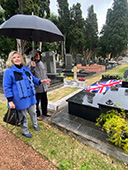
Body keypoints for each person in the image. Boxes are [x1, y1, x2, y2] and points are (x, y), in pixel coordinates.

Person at [3, 51, 46, 138]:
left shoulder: (25, 68)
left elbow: (32, 78)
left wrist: (40, 81)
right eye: (14, 57)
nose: (17, 59)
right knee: (23, 116)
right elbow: (7, 87)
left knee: (33, 112)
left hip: (30, 96)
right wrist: (10, 101)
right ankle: (25, 131)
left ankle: (35, 124)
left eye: (18, 57)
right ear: (11, 60)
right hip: (19, 99)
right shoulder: (9, 71)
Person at [28, 49, 51, 121]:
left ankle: (45, 111)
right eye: (36, 55)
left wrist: (47, 81)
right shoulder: (30, 64)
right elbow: (29, 75)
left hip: (43, 86)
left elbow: (45, 73)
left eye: (38, 55)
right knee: (36, 102)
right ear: (32, 56)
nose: (38, 56)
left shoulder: (41, 63)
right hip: (36, 87)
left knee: (45, 100)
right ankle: (37, 114)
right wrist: (32, 67)